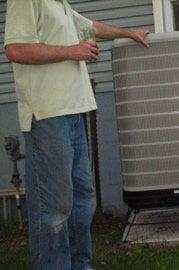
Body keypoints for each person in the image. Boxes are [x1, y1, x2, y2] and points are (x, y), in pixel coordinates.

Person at [4, 0, 149, 269]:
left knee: (82, 202)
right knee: (53, 209)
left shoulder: (61, 5)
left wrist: (129, 33)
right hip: (48, 115)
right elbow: (15, 49)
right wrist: (72, 51)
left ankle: (80, 265)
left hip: (75, 111)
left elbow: (92, 27)